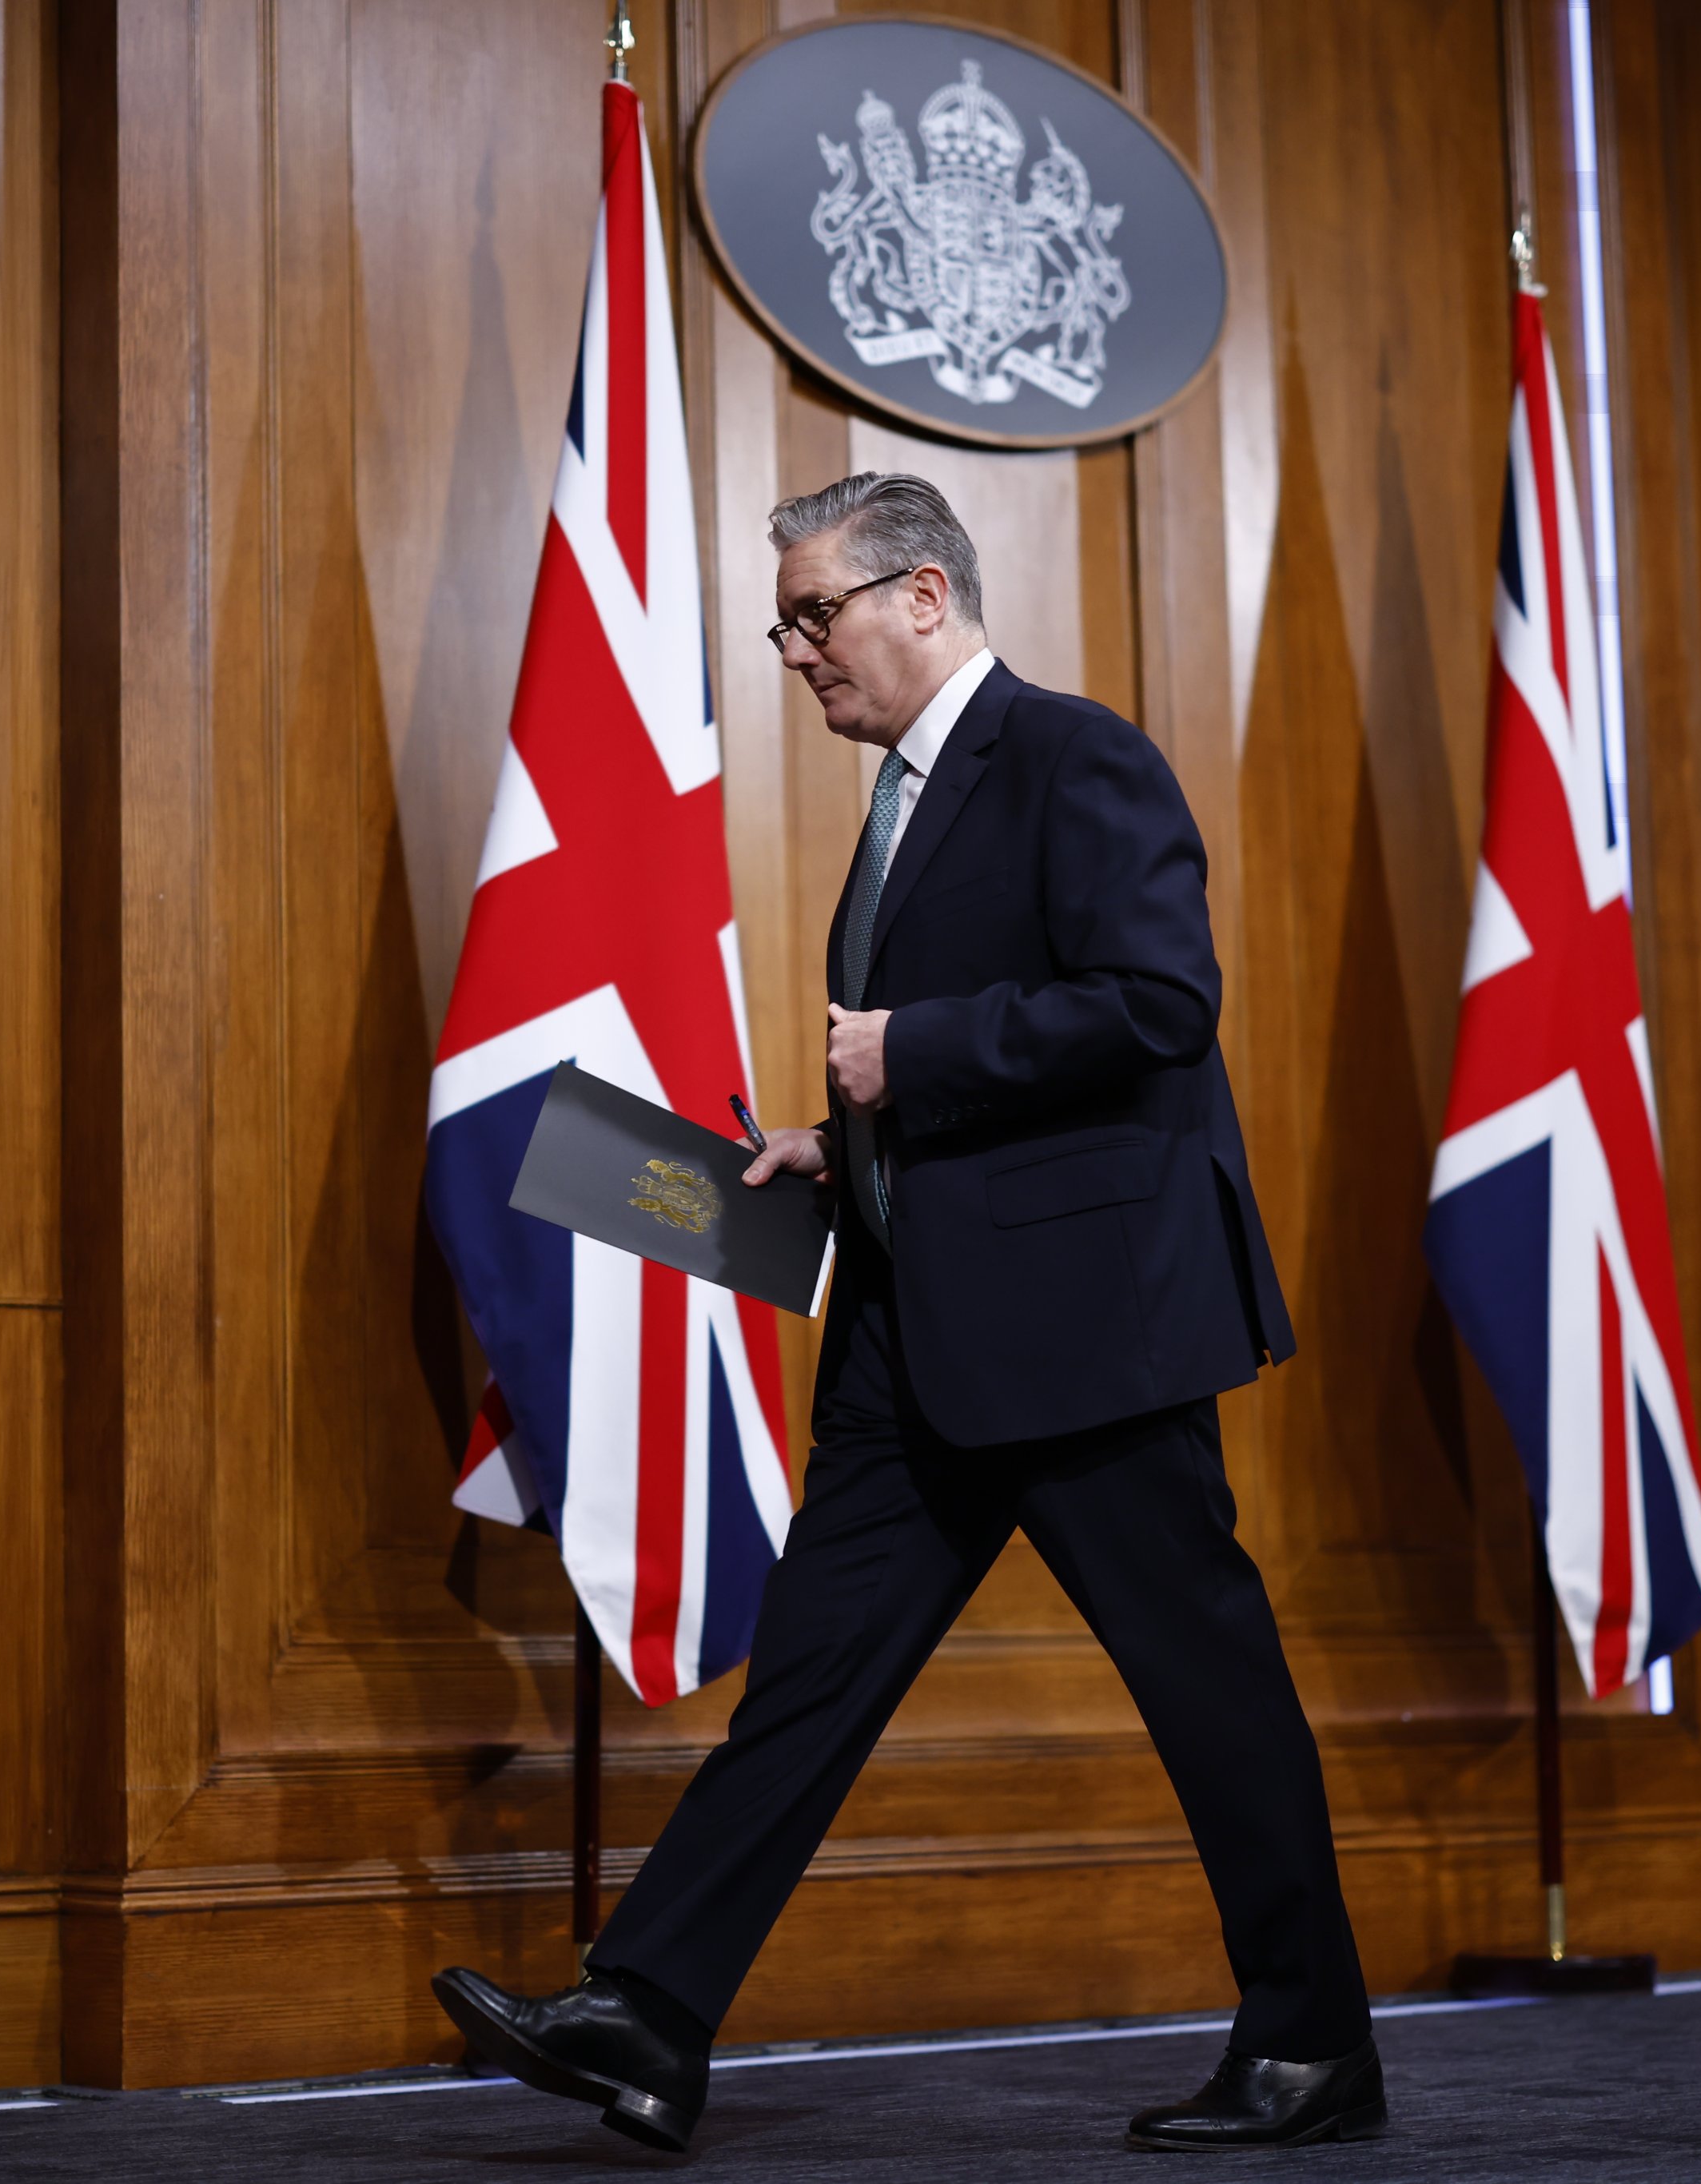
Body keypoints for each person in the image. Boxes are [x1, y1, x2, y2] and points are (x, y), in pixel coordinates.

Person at [432, 474, 1376, 2153]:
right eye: (784, 621)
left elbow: (1158, 1001)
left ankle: (1311, 2046)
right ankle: (647, 2012)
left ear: (921, 596)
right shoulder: (902, 798)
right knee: (806, 1682)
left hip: (1085, 1334)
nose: (795, 651)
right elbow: (982, 1045)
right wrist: (838, 1134)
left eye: (814, 614)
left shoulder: (1074, 754)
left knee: (1206, 1686)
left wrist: (908, 1058)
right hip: (910, 1334)